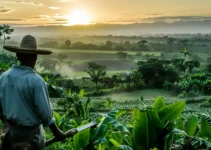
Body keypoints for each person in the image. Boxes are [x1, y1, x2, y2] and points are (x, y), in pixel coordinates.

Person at [0, 35, 66, 150]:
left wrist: (9, 125)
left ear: (17, 55)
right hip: (30, 138)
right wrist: (57, 133)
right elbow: (45, 115)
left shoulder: (4, 77)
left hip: (9, 135)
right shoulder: (36, 81)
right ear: (35, 57)